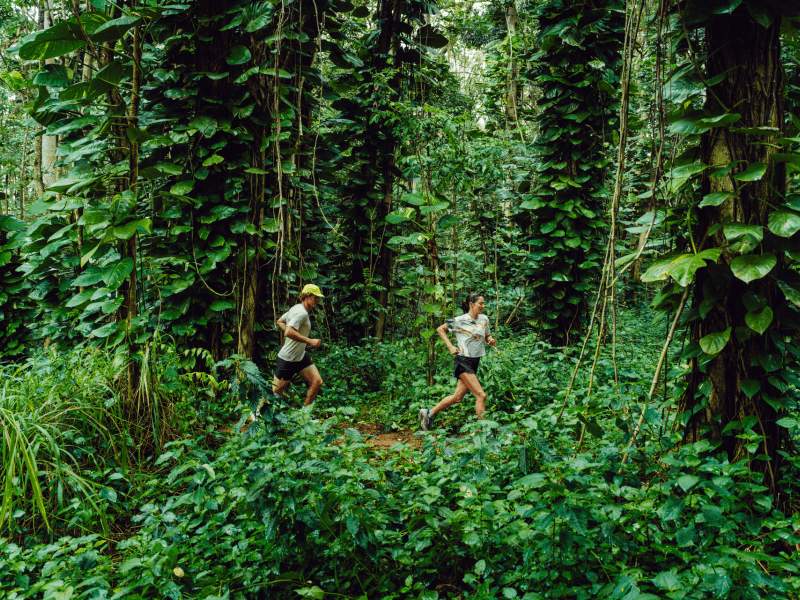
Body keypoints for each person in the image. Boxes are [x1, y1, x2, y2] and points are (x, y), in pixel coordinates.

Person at [419, 293, 496, 431]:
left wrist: (489, 339)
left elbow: (486, 335)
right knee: (481, 395)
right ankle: (484, 432)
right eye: (481, 303)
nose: (483, 306)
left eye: (484, 303)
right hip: (463, 361)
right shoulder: (460, 320)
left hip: (474, 361)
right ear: (472, 304)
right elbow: (440, 329)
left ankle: (428, 413)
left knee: (457, 397)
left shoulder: (484, 319)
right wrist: (450, 346)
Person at [249, 284, 325, 423]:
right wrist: (310, 341)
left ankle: (304, 416)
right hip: (288, 359)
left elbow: (280, 321)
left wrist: (297, 338)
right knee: (275, 392)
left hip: (300, 356)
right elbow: (288, 331)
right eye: (315, 297)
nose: (317, 301)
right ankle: (256, 413)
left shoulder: (297, 308)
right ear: (307, 296)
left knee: (317, 381)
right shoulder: (300, 312)